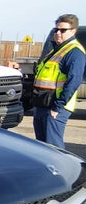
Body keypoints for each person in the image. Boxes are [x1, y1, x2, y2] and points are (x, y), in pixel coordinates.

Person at [32, 14, 86, 149]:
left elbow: (74, 81)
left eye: (63, 30)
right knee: (42, 147)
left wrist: (58, 107)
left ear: (73, 31)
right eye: (56, 30)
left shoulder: (74, 52)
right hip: (43, 104)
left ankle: (60, 170)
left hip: (55, 107)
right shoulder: (55, 50)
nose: (58, 33)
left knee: (53, 148)